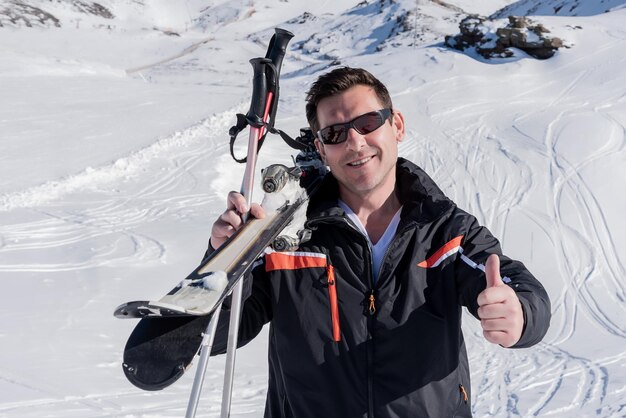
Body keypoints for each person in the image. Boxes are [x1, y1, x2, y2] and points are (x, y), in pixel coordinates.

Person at [207, 67, 551, 418]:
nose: (355, 142)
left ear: (397, 125)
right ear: (321, 149)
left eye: (368, 122)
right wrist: (225, 258)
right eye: (335, 133)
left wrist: (520, 312)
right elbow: (218, 334)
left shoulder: (444, 230)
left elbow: (516, 285)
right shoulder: (288, 239)